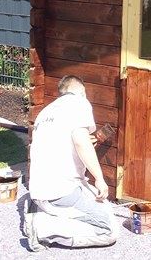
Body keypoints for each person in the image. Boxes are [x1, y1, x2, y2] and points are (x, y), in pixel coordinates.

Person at [24, 75, 118, 251]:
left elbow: (60, 145)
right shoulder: (79, 103)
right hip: (61, 191)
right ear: (82, 92)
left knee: (102, 205)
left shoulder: (46, 112)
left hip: (38, 191)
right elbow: (81, 142)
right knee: (109, 230)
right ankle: (43, 228)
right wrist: (99, 178)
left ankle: (42, 211)